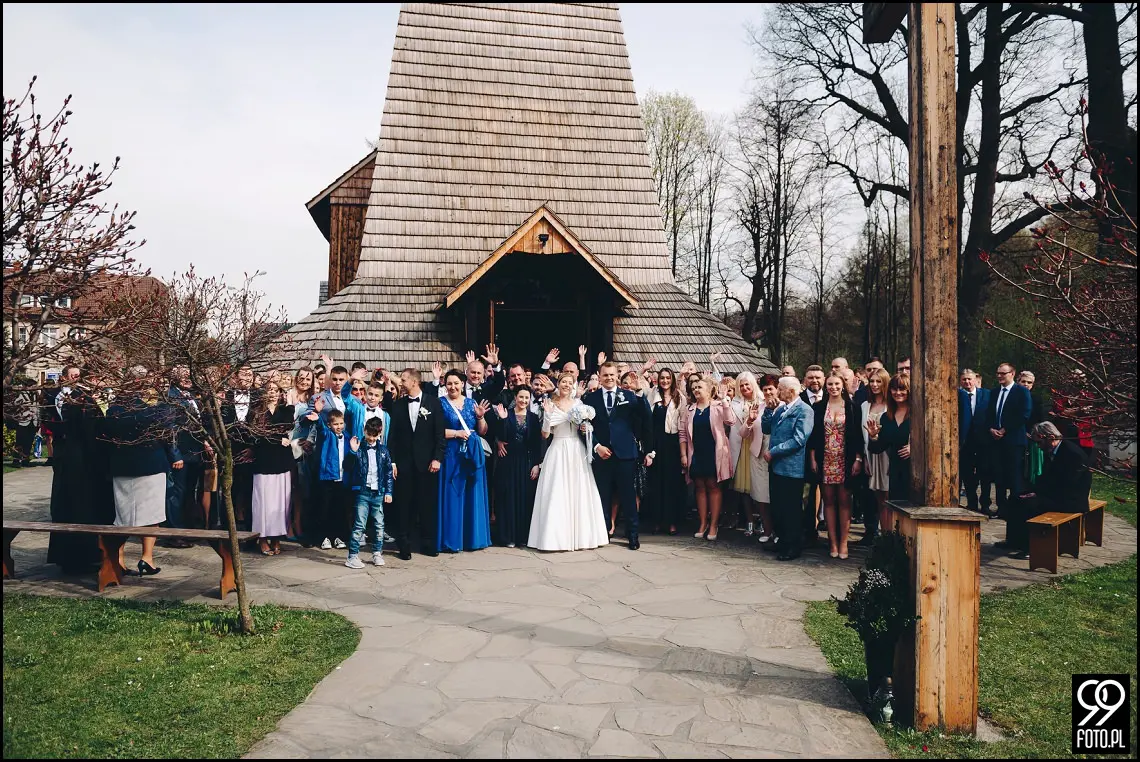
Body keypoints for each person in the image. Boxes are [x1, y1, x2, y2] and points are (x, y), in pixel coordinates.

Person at [106, 380, 184, 576]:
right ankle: (147, 558)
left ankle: (119, 559)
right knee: (151, 516)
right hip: (151, 465)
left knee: (122, 516)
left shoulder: (113, 410)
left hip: (122, 467)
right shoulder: (154, 411)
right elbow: (168, 434)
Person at [528, 372, 609, 551]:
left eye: (569, 382)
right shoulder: (549, 403)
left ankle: (582, 537)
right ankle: (554, 538)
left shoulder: (578, 404)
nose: (566, 385)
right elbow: (545, 435)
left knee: (578, 490)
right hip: (557, 448)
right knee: (557, 491)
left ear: (573, 385)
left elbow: (584, 429)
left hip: (576, 450)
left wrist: (586, 427)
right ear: (558, 383)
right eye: (563, 382)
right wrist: (548, 416)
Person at [46, 375, 114, 574]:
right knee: (82, 510)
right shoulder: (84, 404)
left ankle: (70, 557)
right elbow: (94, 434)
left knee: (68, 508)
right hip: (85, 465)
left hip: (72, 461)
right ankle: (82, 557)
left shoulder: (76, 402)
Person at [582, 361, 652, 550]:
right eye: (605, 375)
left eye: (612, 375)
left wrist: (639, 393)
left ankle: (632, 535)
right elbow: (585, 426)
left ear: (616, 376)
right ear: (600, 374)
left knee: (628, 496)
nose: (609, 378)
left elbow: (646, 417)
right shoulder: (590, 398)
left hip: (625, 454)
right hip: (602, 455)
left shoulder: (628, 395)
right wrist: (597, 446)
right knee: (602, 495)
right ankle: (603, 532)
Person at [998, 421, 1091, 552]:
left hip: (1070, 500)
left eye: (1039, 443)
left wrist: (1038, 495)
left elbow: (1067, 485)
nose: (1038, 446)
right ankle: (1014, 541)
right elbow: (1046, 479)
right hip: (1056, 494)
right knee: (1016, 498)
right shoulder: (1052, 450)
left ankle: (1030, 548)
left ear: (1051, 438)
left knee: (1030, 505)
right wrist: (1032, 491)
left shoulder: (1072, 454)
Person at [383, 367, 445, 560]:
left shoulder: (433, 403)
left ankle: (427, 543)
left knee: (427, 504)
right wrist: (392, 461)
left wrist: (437, 458)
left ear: (414, 382)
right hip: (404, 464)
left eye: (403, 380)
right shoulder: (399, 405)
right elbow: (392, 437)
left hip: (427, 464)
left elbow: (439, 435)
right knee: (404, 505)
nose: (400, 383)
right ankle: (404, 544)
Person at [808, 372, 865, 559]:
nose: (833, 387)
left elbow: (857, 435)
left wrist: (858, 459)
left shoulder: (852, 407)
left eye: (837, 384)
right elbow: (814, 435)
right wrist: (813, 458)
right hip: (825, 459)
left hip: (845, 459)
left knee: (844, 500)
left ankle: (843, 542)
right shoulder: (818, 407)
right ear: (826, 385)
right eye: (830, 384)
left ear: (843, 385)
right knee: (829, 500)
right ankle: (832, 542)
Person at [438, 368, 492, 553]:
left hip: (471, 453)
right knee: (453, 494)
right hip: (451, 453)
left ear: (463, 384)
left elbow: (482, 431)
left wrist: (480, 417)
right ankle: (452, 540)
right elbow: (435, 432)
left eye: (456, 383)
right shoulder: (440, 404)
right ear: (445, 385)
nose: (453, 387)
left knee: (472, 493)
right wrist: (456, 433)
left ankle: (472, 538)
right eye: (449, 383)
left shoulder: (471, 402)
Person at [762, 376, 814, 561]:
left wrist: (774, 451)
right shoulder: (780, 409)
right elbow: (766, 429)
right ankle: (782, 540)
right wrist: (768, 411)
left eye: (780, 388)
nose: (777, 391)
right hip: (776, 467)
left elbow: (799, 439)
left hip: (792, 468)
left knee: (791, 508)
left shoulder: (804, 411)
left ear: (790, 391)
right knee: (778, 507)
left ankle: (793, 545)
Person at [680, 377, 735, 541]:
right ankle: (703, 523)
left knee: (713, 486)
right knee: (699, 487)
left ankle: (713, 524)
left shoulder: (718, 406)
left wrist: (724, 401)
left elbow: (730, 421)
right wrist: (683, 454)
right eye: (694, 387)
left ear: (710, 389)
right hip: (696, 452)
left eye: (700, 387)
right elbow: (683, 433)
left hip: (714, 452)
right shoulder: (689, 409)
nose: (696, 390)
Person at [490, 386, 544, 548]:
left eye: (527, 398)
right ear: (516, 397)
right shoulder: (507, 414)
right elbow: (502, 436)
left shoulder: (534, 418)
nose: (523, 401)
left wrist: (537, 464)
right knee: (507, 498)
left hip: (526, 462)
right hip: (507, 461)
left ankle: (523, 536)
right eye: (521, 397)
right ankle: (508, 537)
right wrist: (503, 419)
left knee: (525, 498)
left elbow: (537, 444)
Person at [344, 416, 395, 568]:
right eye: (369, 434)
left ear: (380, 433)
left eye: (375, 435)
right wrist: (353, 452)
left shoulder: (384, 451)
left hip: (378, 493)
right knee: (359, 524)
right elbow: (347, 466)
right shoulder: (358, 448)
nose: (372, 438)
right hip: (363, 492)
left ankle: (377, 553)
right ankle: (352, 556)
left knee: (379, 525)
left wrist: (389, 492)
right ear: (364, 431)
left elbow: (388, 473)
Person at [250, 381, 294, 556]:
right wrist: (277, 440)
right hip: (264, 461)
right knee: (263, 502)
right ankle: (262, 538)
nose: (273, 393)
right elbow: (258, 434)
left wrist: (290, 404)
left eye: (276, 390)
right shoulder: (256, 411)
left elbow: (288, 426)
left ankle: (276, 537)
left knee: (280, 502)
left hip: (281, 462)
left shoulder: (284, 410)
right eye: (270, 390)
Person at [645, 367, 685, 535]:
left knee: (671, 484)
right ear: (657, 380)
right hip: (656, 443)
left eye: (668, 378)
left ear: (672, 379)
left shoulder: (680, 398)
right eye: (662, 378)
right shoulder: (652, 395)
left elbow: (683, 424)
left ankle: (671, 522)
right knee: (656, 484)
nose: (665, 381)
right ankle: (656, 521)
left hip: (672, 444)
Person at [988, 362, 1032, 517]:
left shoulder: (1021, 392)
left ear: (1012, 374)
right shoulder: (993, 393)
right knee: (998, 476)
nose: (1000, 376)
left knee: (1014, 476)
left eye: (1003, 373)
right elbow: (989, 414)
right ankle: (1001, 508)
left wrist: (1005, 429)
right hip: (996, 441)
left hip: (1014, 441)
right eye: (998, 373)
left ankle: (1015, 509)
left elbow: (1024, 415)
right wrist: (991, 429)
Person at [306, 401, 351, 550]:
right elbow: (321, 428)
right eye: (335, 424)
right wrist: (318, 417)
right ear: (330, 425)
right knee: (324, 508)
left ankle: (337, 537)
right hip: (327, 477)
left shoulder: (347, 436)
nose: (339, 427)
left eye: (341, 423)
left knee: (338, 510)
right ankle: (324, 537)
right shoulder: (327, 434)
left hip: (341, 478)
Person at [736, 373, 774, 543]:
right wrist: (750, 421)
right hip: (758, 453)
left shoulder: (782, 406)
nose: (768, 393)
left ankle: (777, 530)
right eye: (766, 390)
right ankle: (766, 529)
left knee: (774, 495)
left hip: (776, 454)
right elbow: (743, 433)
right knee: (760, 495)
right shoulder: (758, 407)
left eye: (771, 390)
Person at [867, 374, 912, 502]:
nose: (898, 393)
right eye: (894, 389)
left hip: (916, 473)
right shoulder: (886, 418)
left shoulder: (917, 414)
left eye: (902, 389)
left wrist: (915, 447)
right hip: (895, 472)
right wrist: (873, 436)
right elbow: (879, 448)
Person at [860, 368, 893, 539]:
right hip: (871, 455)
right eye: (871, 381)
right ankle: (882, 535)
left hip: (887, 455)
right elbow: (863, 434)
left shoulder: (892, 404)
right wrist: (864, 457)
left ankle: (890, 535)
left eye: (878, 381)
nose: (874, 385)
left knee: (889, 497)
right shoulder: (865, 406)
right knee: (878, 497)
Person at [728, 372, 760, 534]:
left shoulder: (762, 400)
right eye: (741, 385)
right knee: (743, 488)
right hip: (741, 447)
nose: (745, 387)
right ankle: (749, 521)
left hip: (758, 447)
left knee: (760, 488)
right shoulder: (735, 403)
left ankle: (762, 520)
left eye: (747, 384)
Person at [958, 369, 993, 514]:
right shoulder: (957, 395)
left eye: (969, 379)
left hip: (983, 441)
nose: (967, 382)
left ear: (975, 379)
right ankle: (971, 504)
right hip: (965, 442)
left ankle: (985, 505)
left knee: (985, 474)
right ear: (961, 381)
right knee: (967, 474)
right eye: (964, 379)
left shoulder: (986, 394)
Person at [1018, 371, 1046, 485]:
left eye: (1029, 382)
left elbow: (1040, 419)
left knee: (1032, 466)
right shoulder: (1012, 397)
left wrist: (1033, 433)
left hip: (1033, 436)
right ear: (1018, 381)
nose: (1026, 384)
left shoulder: (1037, 399)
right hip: (1017, 434)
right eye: (1023, 381)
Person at [9, 377, 39, 466]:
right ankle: (16, 460)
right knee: (20, 441)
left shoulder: (36, 394)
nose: (36, 388)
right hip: (23, 421)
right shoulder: (21, 393)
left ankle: (26, 459)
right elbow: (15, 404)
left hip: (33, 421)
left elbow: (38, 407)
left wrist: (38, 421)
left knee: (29, 441)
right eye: (34, 386)